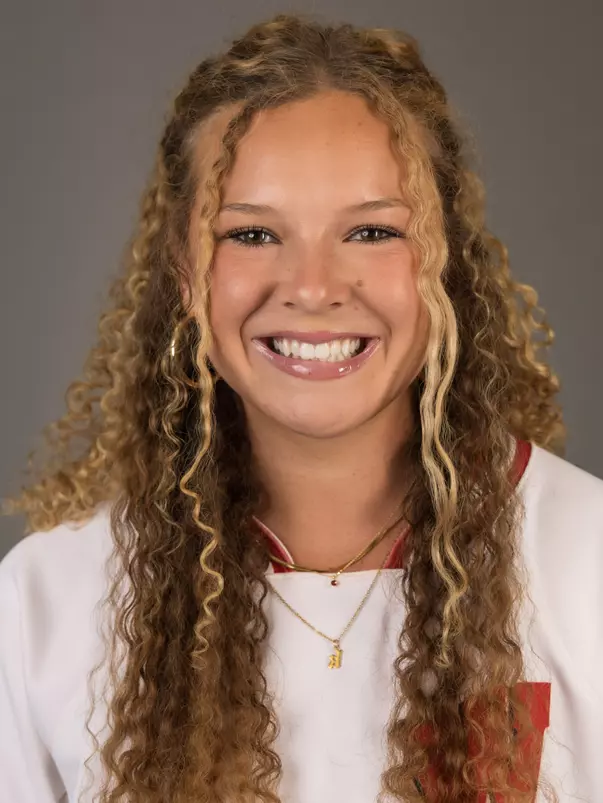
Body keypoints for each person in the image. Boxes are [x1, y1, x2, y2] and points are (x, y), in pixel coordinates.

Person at [1, 13, 601, 803]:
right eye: (251, 233)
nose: (314, 287)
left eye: (371, 231)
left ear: (443, 262)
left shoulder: (587, 566)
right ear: (185, 272)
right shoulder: (46, 603)